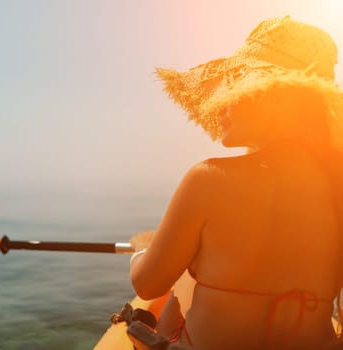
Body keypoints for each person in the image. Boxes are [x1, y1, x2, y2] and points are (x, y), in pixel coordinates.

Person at [129, 16, 343, 350]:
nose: (221, 103)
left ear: (274, 98)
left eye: (234, 86)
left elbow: (147, 285)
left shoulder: (209, 179)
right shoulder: (336, 185)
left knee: (184, 279)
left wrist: (141, 249)